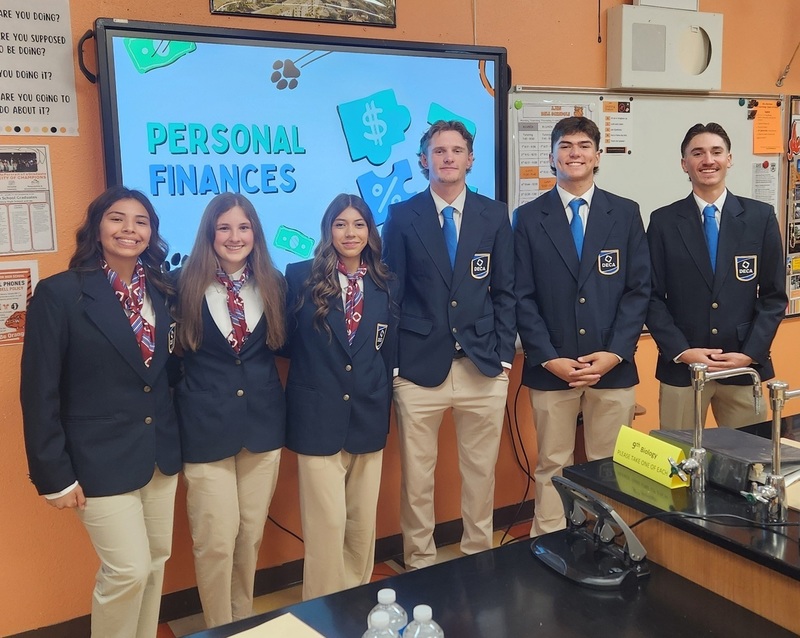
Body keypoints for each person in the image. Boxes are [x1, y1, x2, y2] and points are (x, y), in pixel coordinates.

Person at [20, 186, 181, 638]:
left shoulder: (161, 292)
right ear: (96, 227)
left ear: (152, 233)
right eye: (117, 218)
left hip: (159, 455)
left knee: (154, 563)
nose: (129, 229)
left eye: (141, 221)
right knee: (126, 570)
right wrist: (54, 474)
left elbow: (165, 374)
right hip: (96, 461)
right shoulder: (61, 294)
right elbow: (39, 392)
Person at [382, 120, 515, 569]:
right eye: (438, 151)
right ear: (424, 161)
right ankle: (418, 562)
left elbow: (506, 290)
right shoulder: (402, 216)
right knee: (417, 478)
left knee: (480, 472)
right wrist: (395, 364)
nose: (448, 157)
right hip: (419, 369)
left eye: (457, 150)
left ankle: (478, 555)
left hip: (482, 364)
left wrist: (501, 355)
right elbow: (391, 294)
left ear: (470, 159)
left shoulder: (494, 215)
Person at [514, 116, 650, 537]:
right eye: (566, 145)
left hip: (613, 364)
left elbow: (638, 290)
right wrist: (549, 357)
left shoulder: (625, 213)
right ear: (552, 156)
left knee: (610, 464)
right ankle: (549, 539)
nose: (575, 152)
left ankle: (610, 541)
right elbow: (521, 296)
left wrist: (615, 352)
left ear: (597, 155)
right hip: (551, 368)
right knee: (552, 462)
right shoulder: (527, 217)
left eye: (584, 145)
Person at [174, 193, 286, 627]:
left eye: (243, 227)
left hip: (262, 429)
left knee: (250, 535)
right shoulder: (180, 284)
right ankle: (219, 626)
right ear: (209, 233)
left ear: (255, 233)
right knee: (216, 541)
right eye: (224, 228)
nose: (234, 237)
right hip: (205, 431)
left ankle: (242, 620)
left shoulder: (274, 282)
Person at [284, 193, 396, 599]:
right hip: (316, 416)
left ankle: (356, 601)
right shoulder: (299, 276)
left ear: (370, 231)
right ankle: (322, 607)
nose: (350, 233)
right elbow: (284, 342)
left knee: (362, 523)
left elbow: (388, 349)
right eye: (341, 224)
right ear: (327, 229)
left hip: (368, 413)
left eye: (359, 224)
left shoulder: (385, 282)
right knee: (326, 524)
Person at [647, 122, 787, 429]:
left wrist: (750, 354)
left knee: (748, 463)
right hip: (682, 368)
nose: (707, 160)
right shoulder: (663, 221)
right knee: (678, 460)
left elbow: (774, 296)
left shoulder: (760, 217)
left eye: (716, 152)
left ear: (729, 159)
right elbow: (651, 296)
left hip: (742, 365)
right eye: (697, 153)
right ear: (685, 164)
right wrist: (682, 351)